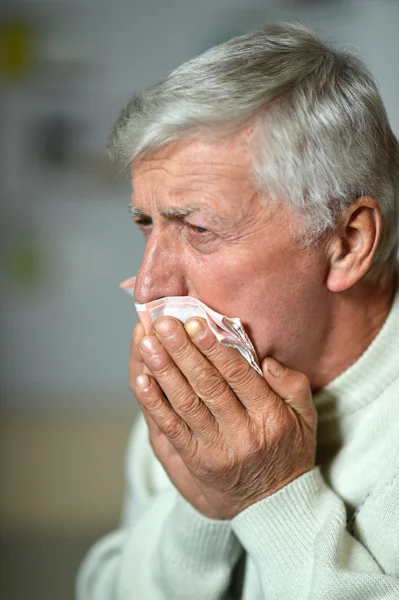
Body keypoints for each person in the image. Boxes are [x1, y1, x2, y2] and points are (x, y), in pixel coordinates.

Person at [76, 23, 399, 599]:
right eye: (146, 222)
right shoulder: (210, 381)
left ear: (347, 242)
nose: (148, 285)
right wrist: (202, 514)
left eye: (198, 228)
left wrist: (270, 495)